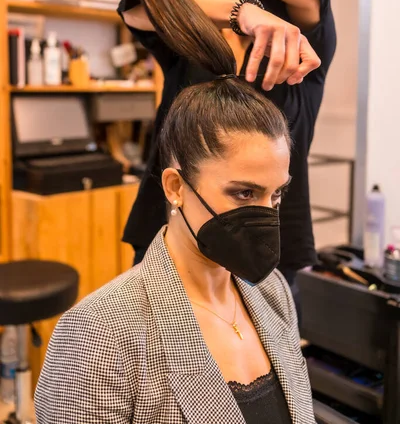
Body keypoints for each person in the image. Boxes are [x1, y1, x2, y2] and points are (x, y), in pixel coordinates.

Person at [34, 70, 315, 424]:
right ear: (175, 187)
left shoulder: (273, 292)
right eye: (244, 193)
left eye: (276, 194)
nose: (265, 214)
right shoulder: (101, 332)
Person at [92, 0, 336, 292]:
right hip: (172, 234)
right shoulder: (195, 36)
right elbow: (139, 6)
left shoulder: (304, 48)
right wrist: (241, 12)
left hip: (265, 246)